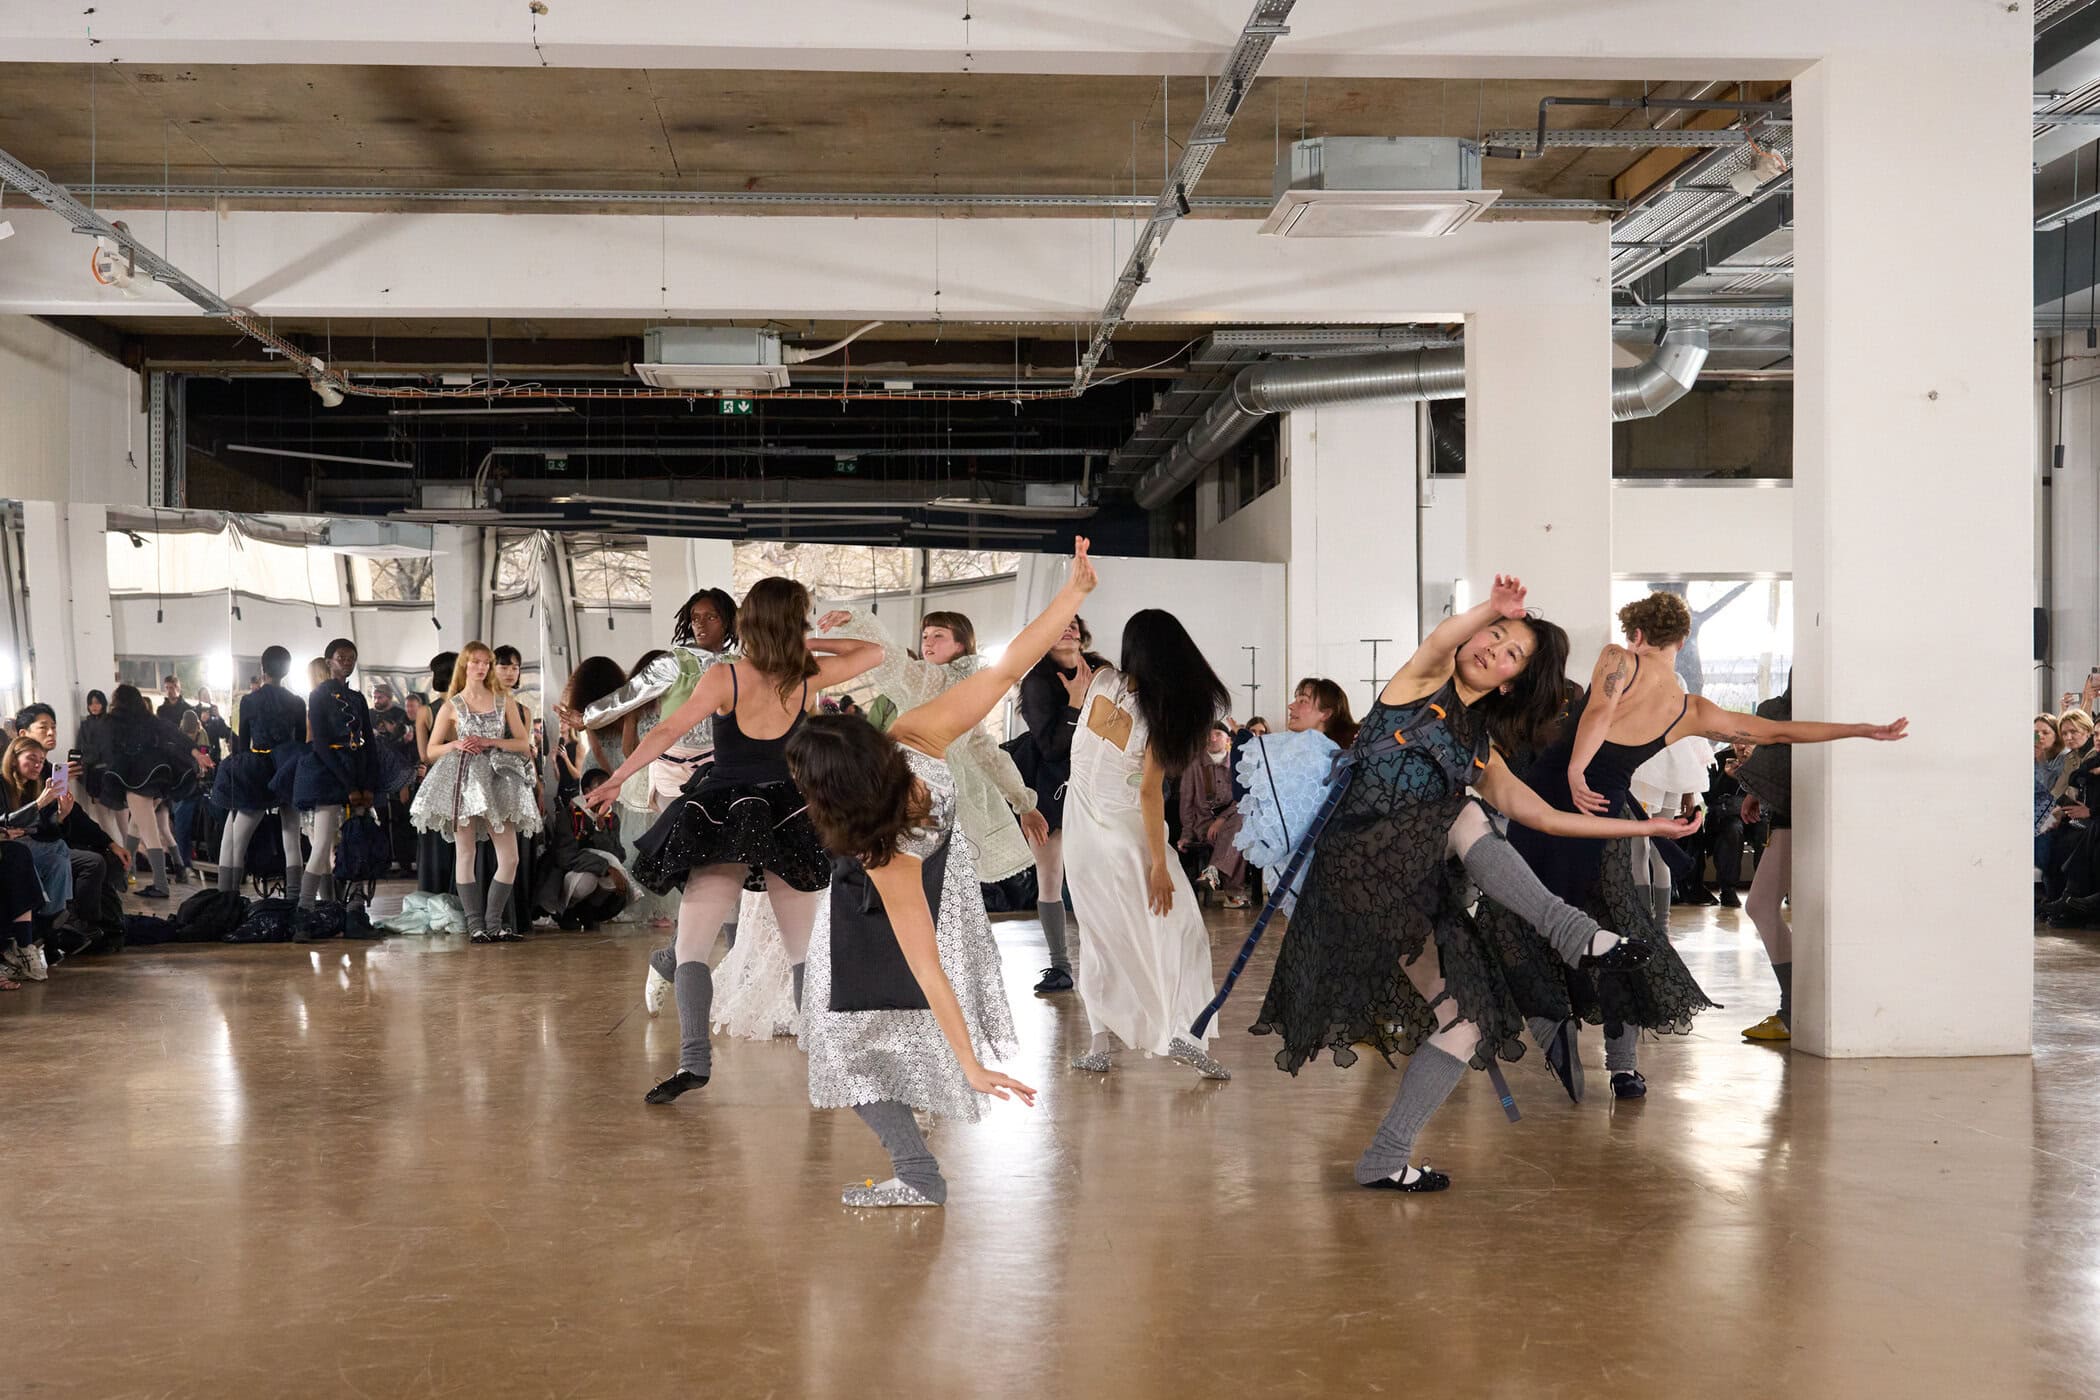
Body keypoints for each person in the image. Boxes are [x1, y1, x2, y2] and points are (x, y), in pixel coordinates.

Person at [1250, 575, 1699, 1194]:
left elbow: (1540, 816)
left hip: (1404, 891)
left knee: (1465, 1025)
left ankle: (1385, 1156)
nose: (1493, 648)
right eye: (1494, 635)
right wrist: (1492, 607)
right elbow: (1440, 638)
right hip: (1358, 863)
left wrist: (1644, 823)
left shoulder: (1481, 750)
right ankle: (1576, 935)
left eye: (1510, 652)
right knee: (1462, 812)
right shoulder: (1416, 687)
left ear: (1511, 682)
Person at [788, 542, 1094, 1208]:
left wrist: (971, 1066)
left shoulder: (879, 853)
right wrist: (1070, 596)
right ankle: (918, 1161)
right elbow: (1011, 665)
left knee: (838, 1044)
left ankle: (918, 1173)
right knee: (865, 1027)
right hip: (935, 881)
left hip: (884, 898)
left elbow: (927, 969)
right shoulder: (918, 734)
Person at [583, 578, 884, 1104]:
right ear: (791, 623)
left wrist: (613, 778)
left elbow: (665, 732)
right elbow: (874, 651)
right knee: (800, 952)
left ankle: (694, 1062)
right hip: (789, 812)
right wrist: (811, 643)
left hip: (723, 811)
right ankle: (825, 1063)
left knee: (693, 947)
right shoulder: (804, 677)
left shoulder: (727, 677)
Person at [1566, 643, 1905, 1049]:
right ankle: (1792, 1009)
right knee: (1757, 904)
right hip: (1785, 815)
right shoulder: (1676, 703)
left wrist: (1859, 730)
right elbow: (1780, 732)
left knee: (1764, 905)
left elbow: (1781, 731)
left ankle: (1792, 1010)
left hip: (1804, 813)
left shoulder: (1692, 707)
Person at [1064, 610, 1236, 1080]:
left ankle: (1100, 1041)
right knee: (1180, 932)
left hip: (1080, 835)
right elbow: (1146, 793)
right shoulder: (1162, 712)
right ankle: (1185, 1032)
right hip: (1126, 834)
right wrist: (1160, 865)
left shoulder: (1100, 681)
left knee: (1100, 936)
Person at [411, 643, 543, 942]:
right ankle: (476, 926)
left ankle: (494, 923)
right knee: (465, 851)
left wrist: (489, 741)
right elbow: (431, 751)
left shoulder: (504, 701)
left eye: (486, 662)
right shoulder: (452, 705)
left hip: (499, 780)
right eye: (476, 662)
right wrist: (455, 744)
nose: (482, 667)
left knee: (509, 857)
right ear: (465, 665)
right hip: (464, 780)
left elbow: (524, 743)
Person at [1015, 616, 1110, 993]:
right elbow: (1052, 747)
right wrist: (1075, 703)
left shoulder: (1103, 669)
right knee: (1050, 874)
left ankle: (1110, 961)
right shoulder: (1038, 680)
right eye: (1059, 625)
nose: (1067, 629)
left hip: (1098, 779)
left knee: (1101, 874)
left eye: (1072, 624)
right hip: (1050, 783)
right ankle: (1059, 966)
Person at [1229, 678, 1359, 911]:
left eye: (1303, 701)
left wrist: (1243, 741)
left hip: (1323, 872)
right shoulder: (1321, 751)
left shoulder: (1312, 749)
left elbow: (1243, 791)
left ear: (1325, 713)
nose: (1291, 706)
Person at [288, 638, 386, 909]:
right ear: (329, 661)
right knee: (321, 845)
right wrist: (349, 785)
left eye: (351, 657)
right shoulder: (318, 695)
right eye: (341, 657)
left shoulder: (357, 698)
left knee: (357, 840)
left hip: (357, 768)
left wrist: (368, 785)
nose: (347, 662)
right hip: (329, 772)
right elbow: (320, 743)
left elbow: (368, 742)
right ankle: (306, 909)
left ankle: (354, 910)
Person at [82, 683, 196, 901]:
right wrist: (195, 752)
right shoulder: (148, 720)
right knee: (136, 827)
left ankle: (160, 884)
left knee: (150, 832)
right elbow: (173, 733)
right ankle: (129, 871)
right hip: (157, 779)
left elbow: (102, 751)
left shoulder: (112, 723)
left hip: (135, 782)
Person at [210, 645, 310, 894]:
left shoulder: (250, 700)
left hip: (257, 768)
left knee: (237, 838)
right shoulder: (297, 702)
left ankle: (228, 897)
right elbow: (299, 741)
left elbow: (242, 743)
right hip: (287, 768)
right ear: (286, 670)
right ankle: (294, 898)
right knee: (291, 838)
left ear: (262, 668)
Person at [1179, 723, 1249, 907]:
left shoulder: (1238, 764)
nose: (1212, 738)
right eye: (1208, 734)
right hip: (1204, 826)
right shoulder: (1194, 765)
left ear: (1228, 739)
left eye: (1218, 734)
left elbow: (1242, 799)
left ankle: (1213, 870)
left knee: (1241, 823)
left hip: (1231, 820)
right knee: (1240, 835)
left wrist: (1222, 819)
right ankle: (1233, 893)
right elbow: (1186, 802)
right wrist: (1186, 834)